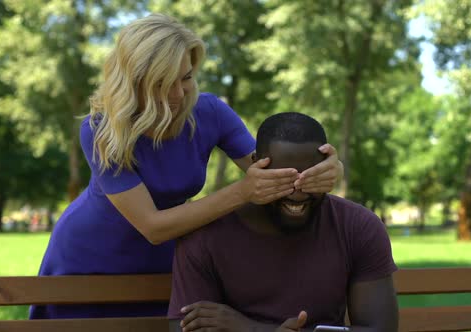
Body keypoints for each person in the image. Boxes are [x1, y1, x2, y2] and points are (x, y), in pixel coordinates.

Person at [29, 14, 342, 319]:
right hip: (88, 261)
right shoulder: (100, 128)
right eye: (164, 83)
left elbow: (271, 175)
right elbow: (153, 226)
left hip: (167, 263)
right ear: (135, 81)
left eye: (187, 77)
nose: (180, 94)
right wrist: (243, 192)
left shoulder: (211, 113)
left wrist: (323, 171)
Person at [168, 112, 398, 332]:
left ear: (327, 169)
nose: (297, 193)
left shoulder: (357, 227)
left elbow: (381, 329)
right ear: (256, 165)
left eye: (309, 177)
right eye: (283, 178)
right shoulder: (205, 234)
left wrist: (253, 329)